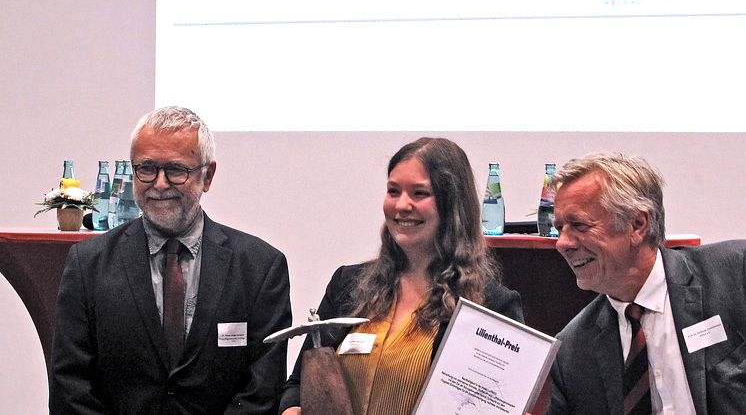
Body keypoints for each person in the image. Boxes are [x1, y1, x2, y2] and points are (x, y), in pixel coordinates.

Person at [49, 106, 292, 414]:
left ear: (208, 175)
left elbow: (262, 391)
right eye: (146, 168)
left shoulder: (260, 268)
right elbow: (70, 387)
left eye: (176, 170)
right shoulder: (89, 265)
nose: (159, 184)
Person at [278, 137, 524, 415]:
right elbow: (297, 384)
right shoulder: (347, 284)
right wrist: (291, 409)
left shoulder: (491, 304)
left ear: (452, 205)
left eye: (419, 194)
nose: (402, 205)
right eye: (393, 191)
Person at [546, 152, 746, 414]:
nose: (563, 244)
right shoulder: (573, 351)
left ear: (638, 225)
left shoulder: (735, 275)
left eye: (579, 225)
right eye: (559, 228)